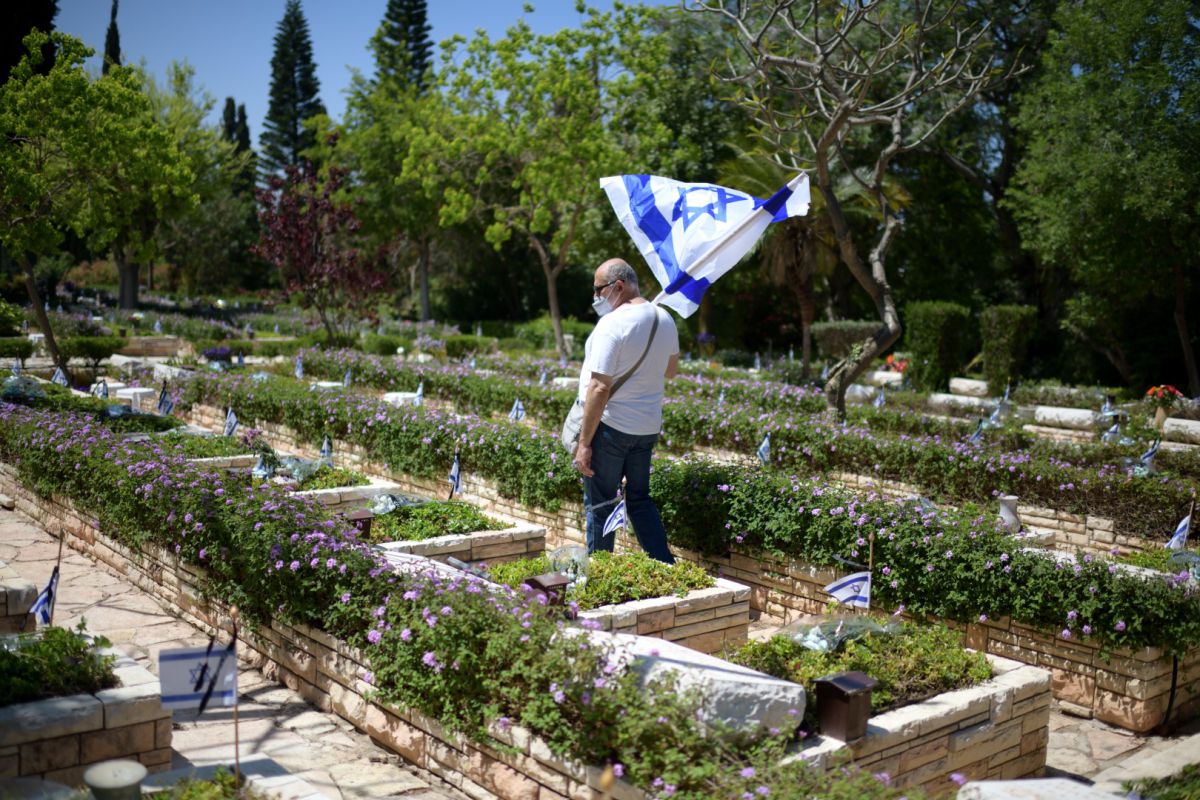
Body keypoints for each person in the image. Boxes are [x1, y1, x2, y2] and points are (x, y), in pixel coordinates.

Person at [572, 258, 679, 563]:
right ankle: (665, 566)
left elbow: (599, 387)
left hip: (612, 429)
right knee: (640, 501)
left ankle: (600, 575)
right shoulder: (664, 319)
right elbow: (670, 371)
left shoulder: (613, 323)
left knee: (601, 503)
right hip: (645, 429)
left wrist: (583, 444)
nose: (595, 297)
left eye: (598, 289)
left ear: (618, 286)